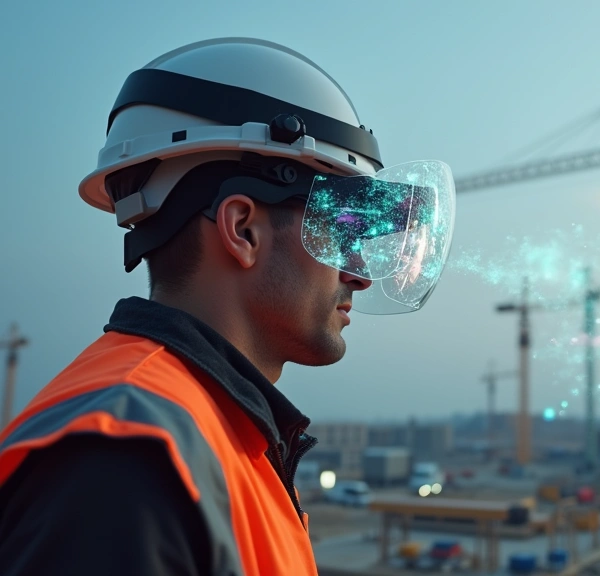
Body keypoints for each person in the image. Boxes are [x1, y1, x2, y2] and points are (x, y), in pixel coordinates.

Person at [0, 38, 456, 575]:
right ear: (242, 229)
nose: (357, 273)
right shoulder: (126, 460)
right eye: (339, 230)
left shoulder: (217, 435)